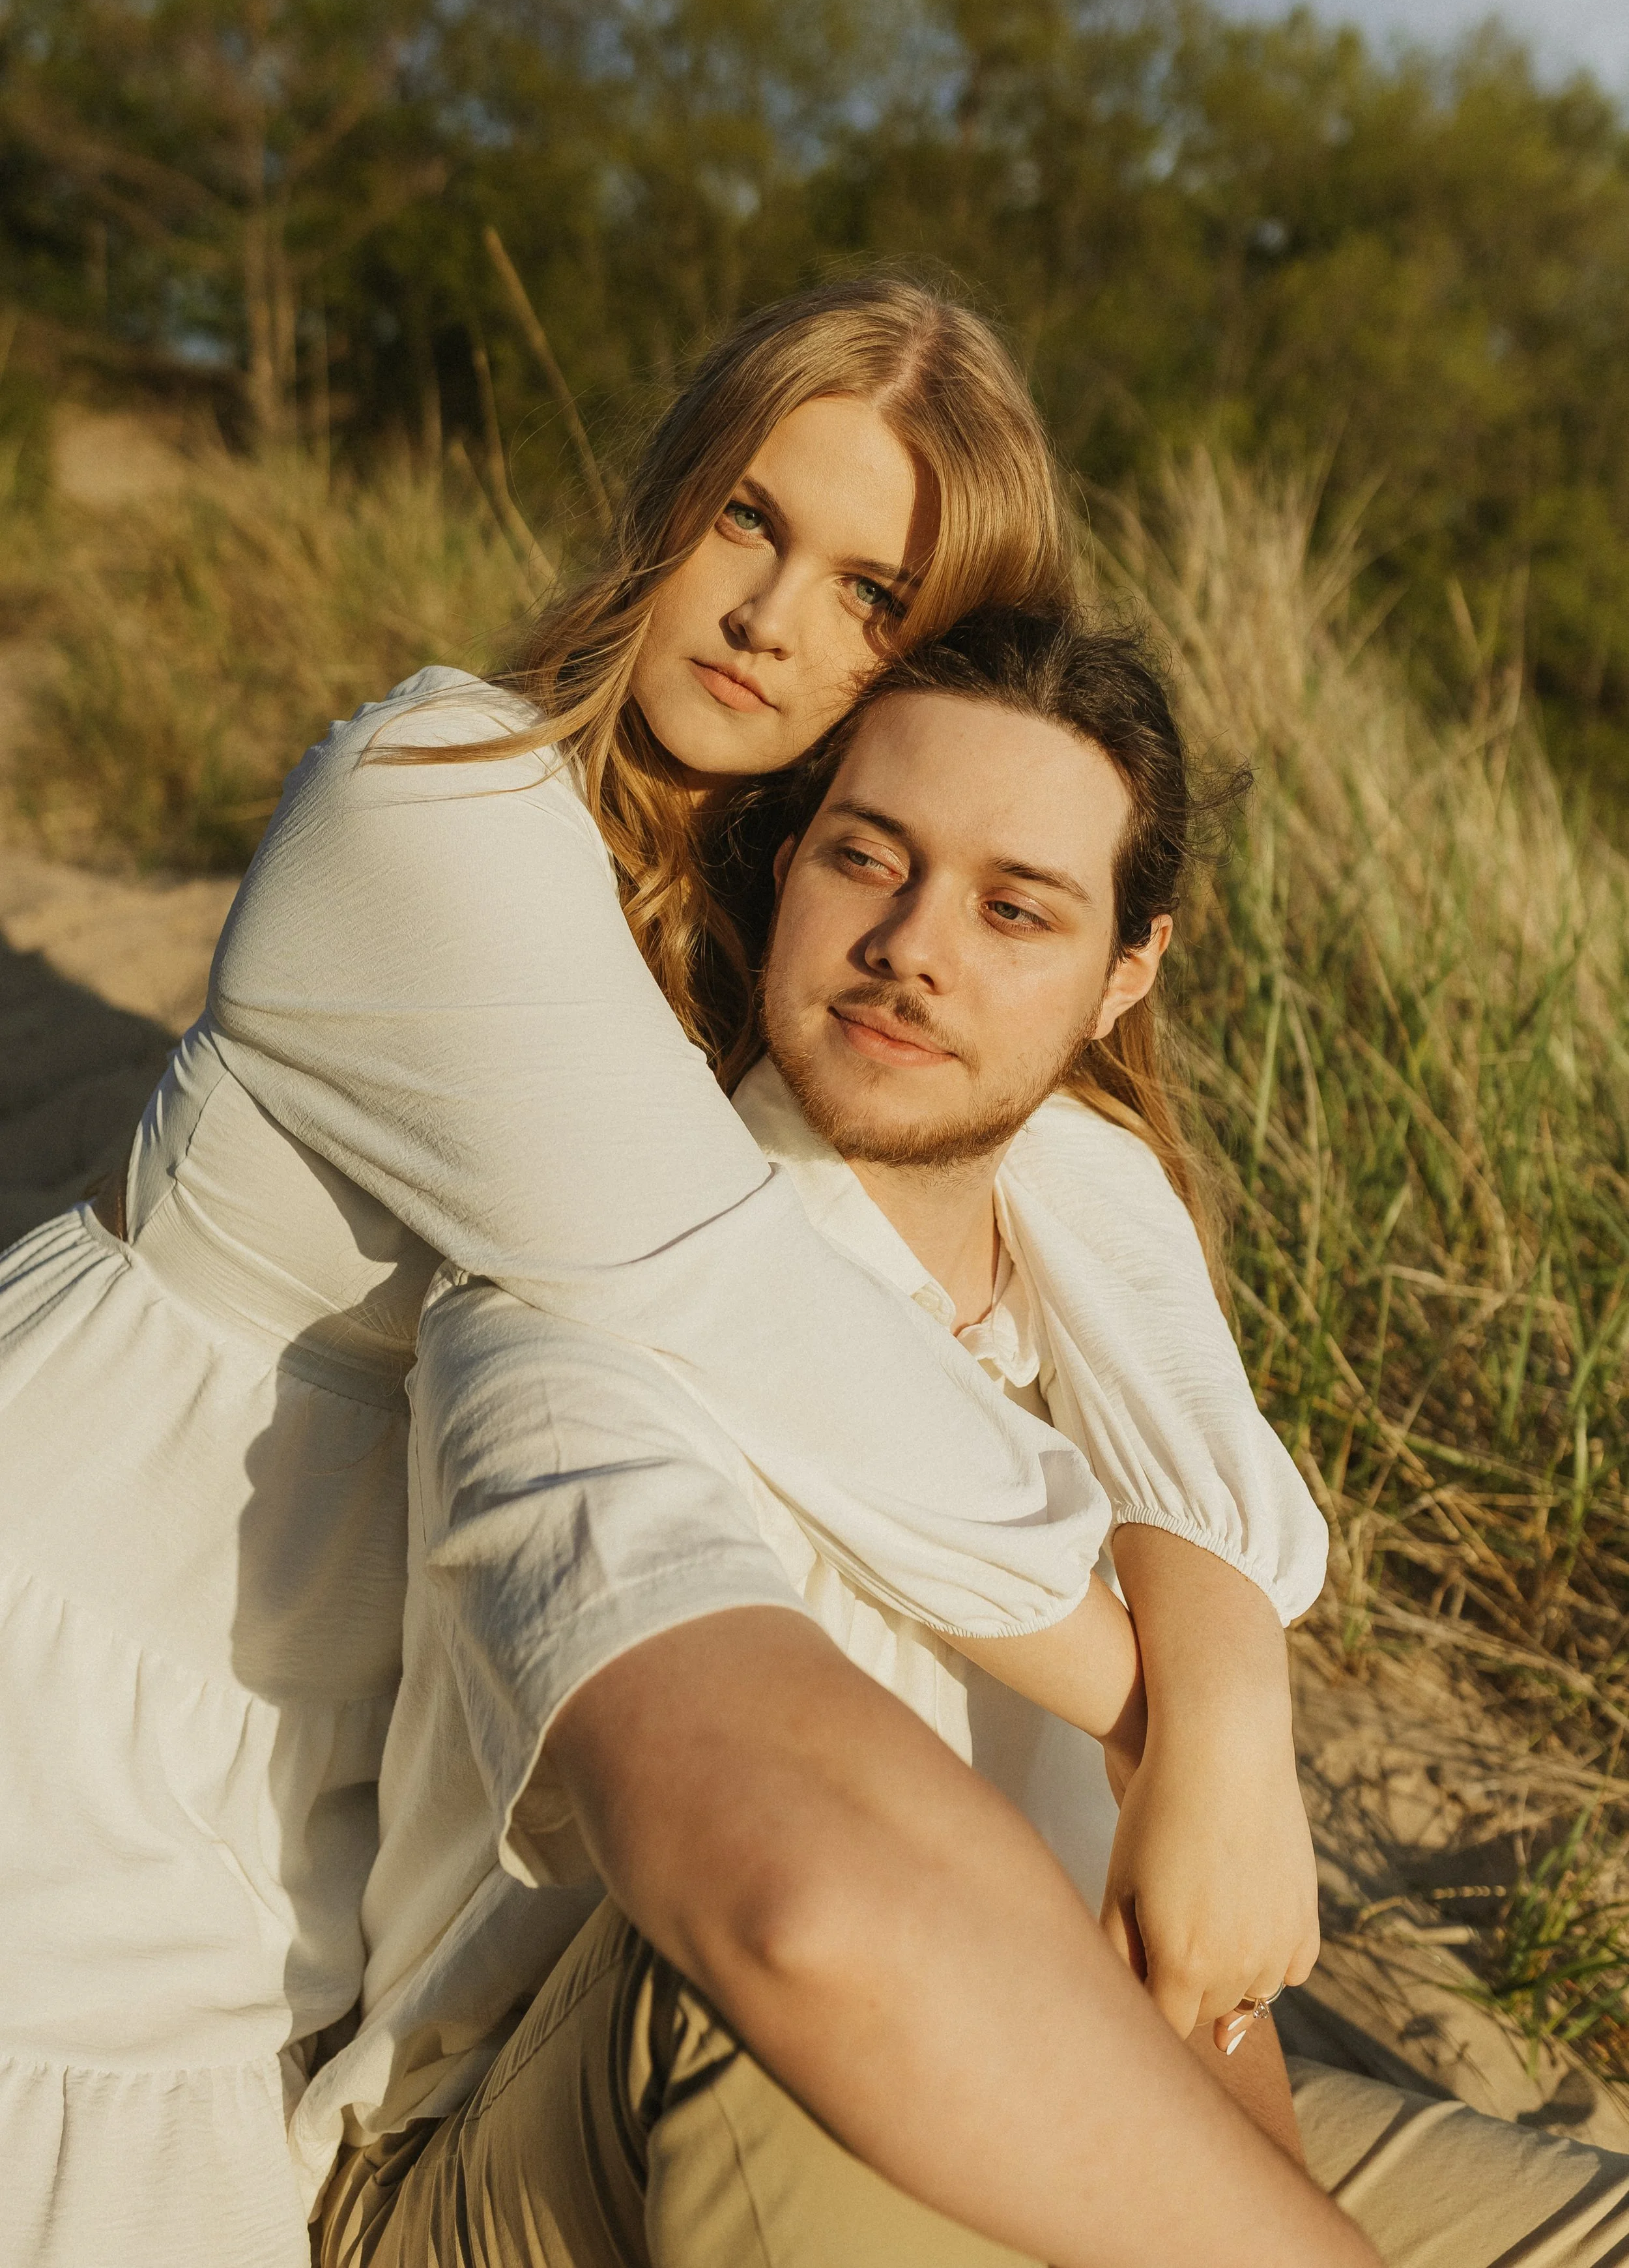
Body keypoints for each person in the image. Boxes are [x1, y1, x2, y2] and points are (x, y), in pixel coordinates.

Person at [0, 278, 1333, 2268]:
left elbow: (1099, 1188)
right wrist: (1168, 1716)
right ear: (669, 499)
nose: (771, 620)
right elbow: (726, 1298)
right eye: (749, 520)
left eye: (871, 595)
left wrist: (1237, 1673)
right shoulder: (437, 796)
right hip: (97, 1631)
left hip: (333, 1733)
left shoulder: (794, 909)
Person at [302, 607, 1629, 2268]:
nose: (914, 948)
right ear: (786, 874)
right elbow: (798, 1914)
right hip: (547, 2154)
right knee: (819, 1983)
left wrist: (1214, 1730)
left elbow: (1187, 1909)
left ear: (1120, 974)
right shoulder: (577, 1310)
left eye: (1016, 910)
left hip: (1046, 2057)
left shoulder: (1099, 1276)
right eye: (868, 860)